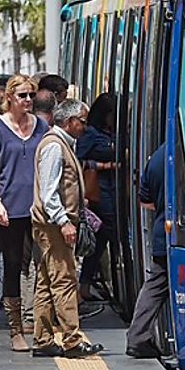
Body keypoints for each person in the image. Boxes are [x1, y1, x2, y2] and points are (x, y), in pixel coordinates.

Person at [30, 100, 103, 359]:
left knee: (46, 281)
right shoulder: (54, 146)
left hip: (49, 225)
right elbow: (49, 193)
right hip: (52, 226)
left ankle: (43, 339)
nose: (84, 127)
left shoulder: (60, 144)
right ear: (69, 121)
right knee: (64, 280)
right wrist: (64, 222)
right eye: (82, 121)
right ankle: (72, 340)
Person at [0, 74, 48, 352]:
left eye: (31, 95)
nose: (28, 101)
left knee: (43, 264)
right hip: (9, 205)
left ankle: (43, 324)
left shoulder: (42, 126)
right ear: (9, 97)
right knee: (12, 265)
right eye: (22, 95)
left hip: (37, 206)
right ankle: (15, 329)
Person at [126, 142, 168, 359]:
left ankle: (138, 336)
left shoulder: (155, 158)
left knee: (154, 287)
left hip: (162, 232)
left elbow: (145, 200)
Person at [77, 94, 117, 306]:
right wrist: (104, 166)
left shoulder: (113, 132)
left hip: (114, 189)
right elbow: (78, 160)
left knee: (105, 234)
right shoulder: (90, 134)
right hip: (98, 191)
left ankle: (87, 281)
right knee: (104, 231)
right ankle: (85, 281)